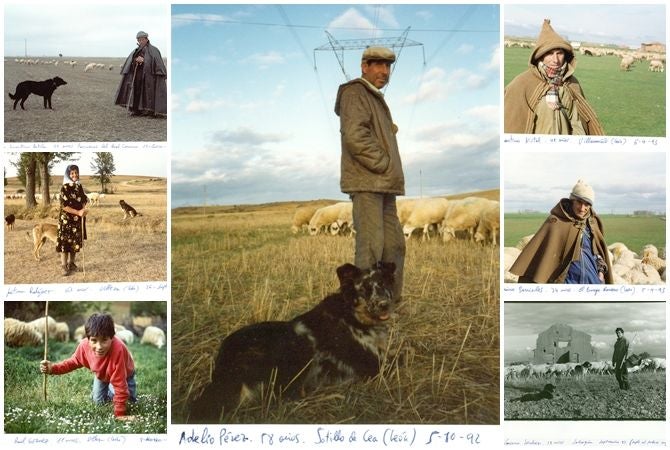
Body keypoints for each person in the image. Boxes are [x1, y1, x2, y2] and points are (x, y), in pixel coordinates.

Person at [334, 46, 405, 302]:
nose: (384, 71)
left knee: (394, 246)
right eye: (378, 65)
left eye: (388, 67)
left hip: (384, 185)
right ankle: (365, 306)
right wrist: (384, 163)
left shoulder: (374, 97)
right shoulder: (355, 92)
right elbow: (355, 136)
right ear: (364, 66)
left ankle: (388, 301)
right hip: (368, 182)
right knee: (370, 248)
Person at [504, 19, 604, 135]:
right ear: (540, 56)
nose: (555, 60)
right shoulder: (522, 83)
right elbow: (512, 124)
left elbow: (578, 122)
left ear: (565, 56)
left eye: (559, 53)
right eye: (550, 53)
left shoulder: (571, 83)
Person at [510, 179, 612, 284]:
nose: (582, 208)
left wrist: (600, 272)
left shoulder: (592, 223)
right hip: (566, 284)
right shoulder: (556, 221)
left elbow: (598, 252)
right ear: (572, 200)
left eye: (587, 204)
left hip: (592, 282)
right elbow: (542, 255)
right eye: (579, 202)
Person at [40, 313, 137, 420]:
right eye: (94, 340)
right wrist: (52, 368)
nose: (99, 347)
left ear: (112, 337)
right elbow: (72, 363)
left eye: (104, 340)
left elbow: (120, 385)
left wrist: (120, 414)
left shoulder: (118, 350)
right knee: (98, 402)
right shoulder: (84, 346)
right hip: (102, 374)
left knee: (129, 401)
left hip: (124, 374)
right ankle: (110, 388)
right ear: (88, 338)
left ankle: (113, 388)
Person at [114, 31, 167, 117]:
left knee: (149, 94)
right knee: (137, 92)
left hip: (150, 77)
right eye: (139, 40)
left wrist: (144, 60)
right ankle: (136, 110)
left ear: (146, 39)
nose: (141, 41)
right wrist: (135, 60)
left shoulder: (154, 50)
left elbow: (157, 63)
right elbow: (131, 62)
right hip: (138, 76)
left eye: (142, 39)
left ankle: (149, 111)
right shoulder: (136, 51)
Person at [56, 164, 88, 277]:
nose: (75, 175)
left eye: (76, 172)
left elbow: (84, 199)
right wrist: (78, 212)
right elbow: (64, 206)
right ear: (68, 175)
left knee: (75, 243)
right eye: (72, 173)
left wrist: (84, 208)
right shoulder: (64, 187)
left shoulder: (79, 186)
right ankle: (64, 266)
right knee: (65, 244)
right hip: (66, 220)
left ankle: (72, 264)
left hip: (77, 220)